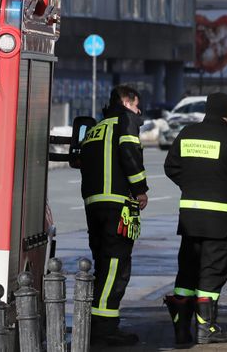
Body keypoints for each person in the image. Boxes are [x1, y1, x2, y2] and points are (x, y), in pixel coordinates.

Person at [164, 92, 227, 345]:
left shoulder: (187, 133)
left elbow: (171, 167)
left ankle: (182, 329)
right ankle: (206, 328)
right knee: (212, 271)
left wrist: (191, 184)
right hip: (221, 218)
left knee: (187, 270)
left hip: (190, 217)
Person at [79, 85, 149, 346]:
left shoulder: (96, 128)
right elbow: (130, 154)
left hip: (94, 205)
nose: (138, 111)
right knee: (117, 266)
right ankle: (105, 327)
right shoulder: (124, 121)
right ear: (126, 102)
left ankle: (95, 323)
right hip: (118, 205)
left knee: (103, 264)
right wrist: (140, 190)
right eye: (136, 105)